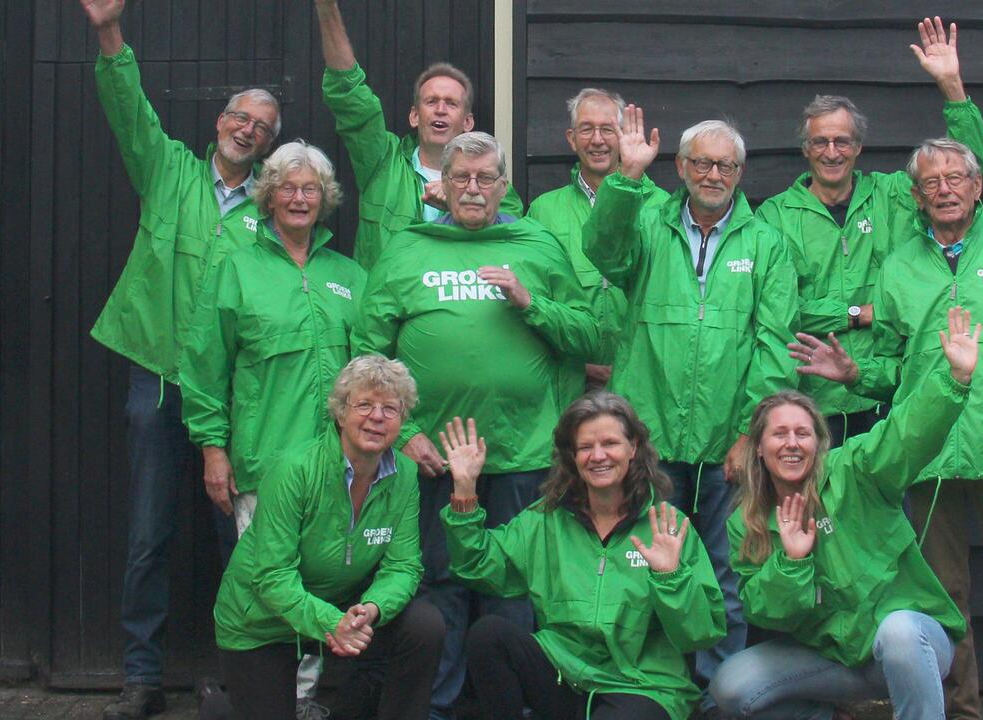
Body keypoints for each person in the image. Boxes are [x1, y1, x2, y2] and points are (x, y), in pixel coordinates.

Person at [799, 139, 983, 720]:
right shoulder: (899, 266)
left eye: (956, 177)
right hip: (925, 455)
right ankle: (962, 710)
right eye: (931, 182)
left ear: (977, 186)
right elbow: (892, 371)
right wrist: (855, 374)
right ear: (917, 195)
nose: (945, 189)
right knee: (942, 600)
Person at [79, 1, 280, 716]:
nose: (246, 128)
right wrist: (109, 31)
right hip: (158, 380)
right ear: (220, 123)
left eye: (261, 126)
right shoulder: (167, 170)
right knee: (149, 535)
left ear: (268, 146)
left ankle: (240, 681)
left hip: (239, 396)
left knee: (241, 541)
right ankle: (142, 678)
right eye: (239, 117)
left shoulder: (274, 216)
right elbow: (126, 106)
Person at [353, 131, 597, 718]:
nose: (472, 188)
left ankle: (507, 710)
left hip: (526, 453)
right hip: (431, 456)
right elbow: (366, 350)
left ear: (503, 186)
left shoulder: (535, 243)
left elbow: (591, 334)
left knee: (512, 593)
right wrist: (402, 433)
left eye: (485, 178)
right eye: (461, 176)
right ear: (442, 182)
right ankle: (435, 710)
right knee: (439, 592)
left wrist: (529, 301)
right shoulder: (408, 247)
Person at [583, 108, 800, 702]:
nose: (713, 174)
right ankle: (654, 688)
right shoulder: (648, 225)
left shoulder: (767, 246)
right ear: (679, 168)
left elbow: (774, 346)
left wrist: (750, 434)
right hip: (648, 440)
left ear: (740, 173)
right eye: (701, 163)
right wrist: (626, 178)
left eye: (725, 165)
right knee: (650, 564)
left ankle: (720, 692)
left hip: (728, 444)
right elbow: (603, 251)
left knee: (727, 574)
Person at [711, 307, 980, 720]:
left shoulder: (857, 471)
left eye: (803, 433)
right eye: (778, 434)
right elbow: (766, 613)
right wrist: (791, 561)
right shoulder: (744, 522)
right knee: (730, 687)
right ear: (759, 449)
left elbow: (905, 433)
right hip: (834, 658)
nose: (792, 444)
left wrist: (953, 379)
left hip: (909, 648)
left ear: (819, 443)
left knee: (900, 632)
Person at [178, 140, 364, 718]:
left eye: (311, 189)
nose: (300, 197)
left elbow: (368, 377)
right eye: (288, 186)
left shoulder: (349, 275)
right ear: (269, 195)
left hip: (334, 467)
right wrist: (213, 448)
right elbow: (206, 366)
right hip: (264, 465)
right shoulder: (237, 268)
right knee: (270, 589)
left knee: (316, 585)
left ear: (326, 199)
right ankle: (269, 700)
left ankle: (305, 700)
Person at [755, 17, 983, 444]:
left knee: (886, 509)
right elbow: (783, 311)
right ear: (806, 150)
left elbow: (967, 169)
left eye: (842, 141)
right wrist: (858, 314)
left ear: (858, 147)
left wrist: (952, 87)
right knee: (822, 510)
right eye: (821, 142)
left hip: (892, 392)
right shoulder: (775, 217)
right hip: (815, 401)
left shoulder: (896, 195)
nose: (832, 152)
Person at [441, 394, 726, 720]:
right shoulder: (546, 519)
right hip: (565, 673)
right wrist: (464, 490)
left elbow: (702, 633)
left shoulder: (667, 526)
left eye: (610, 443)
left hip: (641, 684)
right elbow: (477, 567)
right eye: (586, 447)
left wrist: (670, 576)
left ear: (633, 448)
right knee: (488, 634)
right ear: (572, 456)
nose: (598, 455)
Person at [212, 355, 444, 720]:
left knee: (423, 626)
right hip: (262, 621)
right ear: (340, 412)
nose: (377, 416)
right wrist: (329, 622)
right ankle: (219, 709)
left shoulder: (405, 476)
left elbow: (404, 566)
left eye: (390, 408)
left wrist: (372, 609)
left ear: (403, 419)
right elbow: (272, 576)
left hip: (344, 612)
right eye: (364, 404)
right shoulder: (294, 470)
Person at [313, 0, 524, 272]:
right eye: (431, 101)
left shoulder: (489, 179)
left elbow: (516, 237)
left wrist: (457, 202)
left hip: (457, 306)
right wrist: (327, 8)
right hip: (390, 308)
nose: (440, 109)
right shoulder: (383, 165)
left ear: (468, 122)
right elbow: (350, 96)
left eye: (451, 103)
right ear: (415, 116)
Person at [526, 88, 669, 394]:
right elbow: (536, 296)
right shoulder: (544, 209)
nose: (598, 140)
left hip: (642, 376)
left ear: (623, 137)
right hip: (569, 376)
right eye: (586, 129)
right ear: (571, 138)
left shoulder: (661, 206)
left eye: (608, 129)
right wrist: (581, 365)